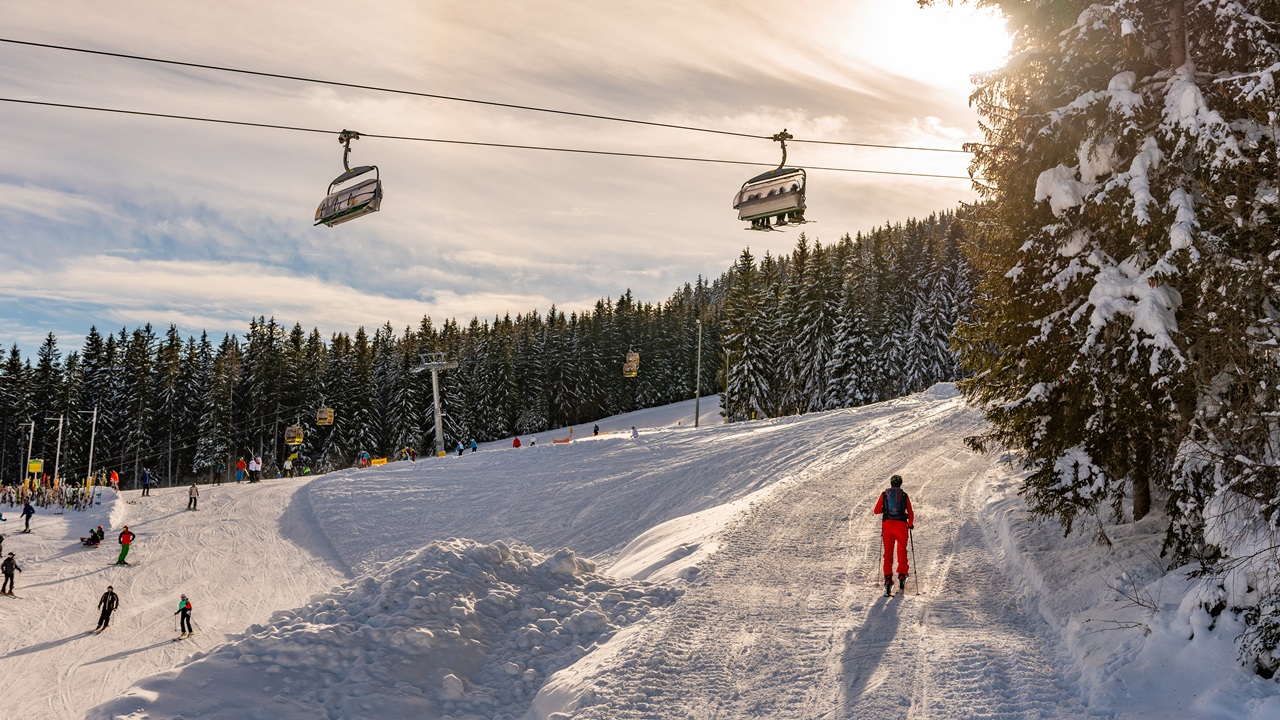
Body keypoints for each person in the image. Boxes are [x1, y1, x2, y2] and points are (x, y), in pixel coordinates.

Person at [873, 474, 915, 596]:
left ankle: (887, 580)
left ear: (891, 483)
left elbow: (876, 511)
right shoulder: (904, 495)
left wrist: (884, 510)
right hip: (901, 526)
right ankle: (902, 576)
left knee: (888, 553)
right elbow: (910, 513)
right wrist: (910, 524)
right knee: (901, 550)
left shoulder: (884, 494)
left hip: (888, 526)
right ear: (900, 484)